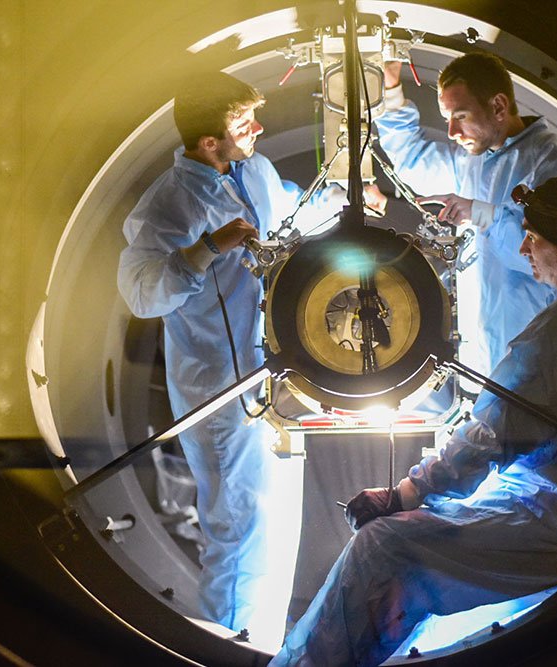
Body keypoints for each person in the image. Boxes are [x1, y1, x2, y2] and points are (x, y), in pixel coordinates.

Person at [270, 169, 557, 667]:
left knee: (382, 547)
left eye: (532, 239)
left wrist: (404, 494)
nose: (524, 252)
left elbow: (491, 438)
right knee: (436, 522)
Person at [117, 71, 346, 641]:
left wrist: (348, 197)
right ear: (208, 142)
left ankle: (264, 640)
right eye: (243, 124)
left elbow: (291, 215)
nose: (258, 129)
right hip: (219, 386)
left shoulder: (256, 171)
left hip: (273, 377)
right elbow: (142, 292)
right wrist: (205, 250)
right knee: (238, 526)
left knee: (275, 519)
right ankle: (228, 646)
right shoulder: (168, 204)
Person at [374, 51, 557, 375]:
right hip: (490, 353)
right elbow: (413, 158)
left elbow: (555, 258)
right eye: (447, 117)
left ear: (499, 106)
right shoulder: (478, 159)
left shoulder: (551, 160)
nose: (450, 131)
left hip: (540, 353)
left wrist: (483, 215)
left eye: (460, 116)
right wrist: (390, 86)